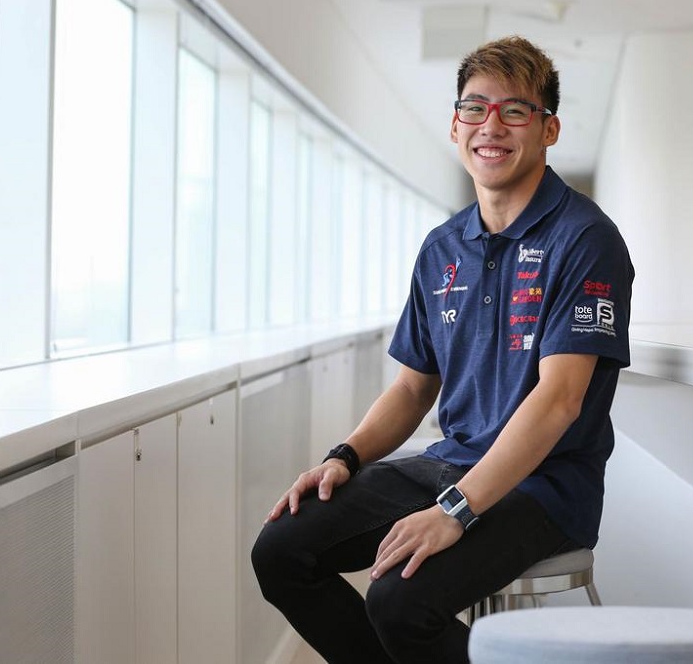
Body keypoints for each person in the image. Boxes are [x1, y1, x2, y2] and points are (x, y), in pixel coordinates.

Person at [251, 35, 634, 664]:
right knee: (281, 551)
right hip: (447, 463)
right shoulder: (442, 247)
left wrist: (455, 510)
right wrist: (345, 456)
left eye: (515, 110)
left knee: (401, 602)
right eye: (475, 109)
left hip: (546, 488)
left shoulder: (585, 238)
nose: (492, 126)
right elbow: (411, 387)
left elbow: (561, 400)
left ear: (549, 129)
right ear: (456, 126)